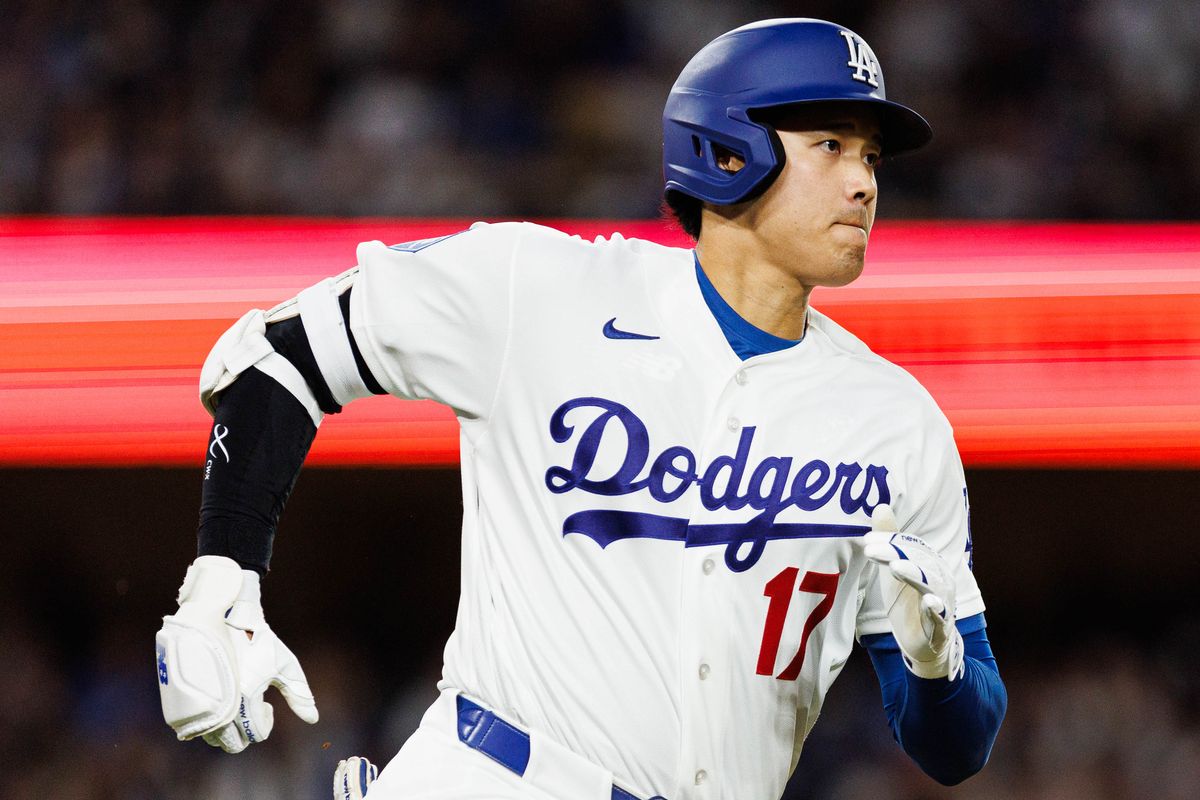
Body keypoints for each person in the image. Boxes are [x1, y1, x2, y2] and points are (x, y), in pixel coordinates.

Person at [155, 18, 1006, 800]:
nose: (864, 183)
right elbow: (277, 355)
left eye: (872, 159)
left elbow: (958, 748)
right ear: (729, 149)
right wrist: (222, 575)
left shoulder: (897, 422)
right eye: (832, 145)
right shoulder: (544, 287)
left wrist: (935, 668)